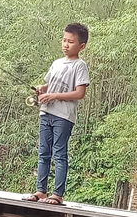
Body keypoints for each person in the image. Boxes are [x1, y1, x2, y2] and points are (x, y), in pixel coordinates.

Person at [26, 23, 90, 205]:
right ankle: (41, 191)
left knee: (59, 154)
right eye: (64, 40)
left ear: (81, 46)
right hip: (46, 112)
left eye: (70, 42)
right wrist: (42, 89)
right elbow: (49, 84)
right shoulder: (56, 63)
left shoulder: (80, 66)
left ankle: (58, 194)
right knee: (43, 152)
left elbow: (80, 93)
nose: (65, 44)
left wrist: (54, 95)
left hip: (64, 116)